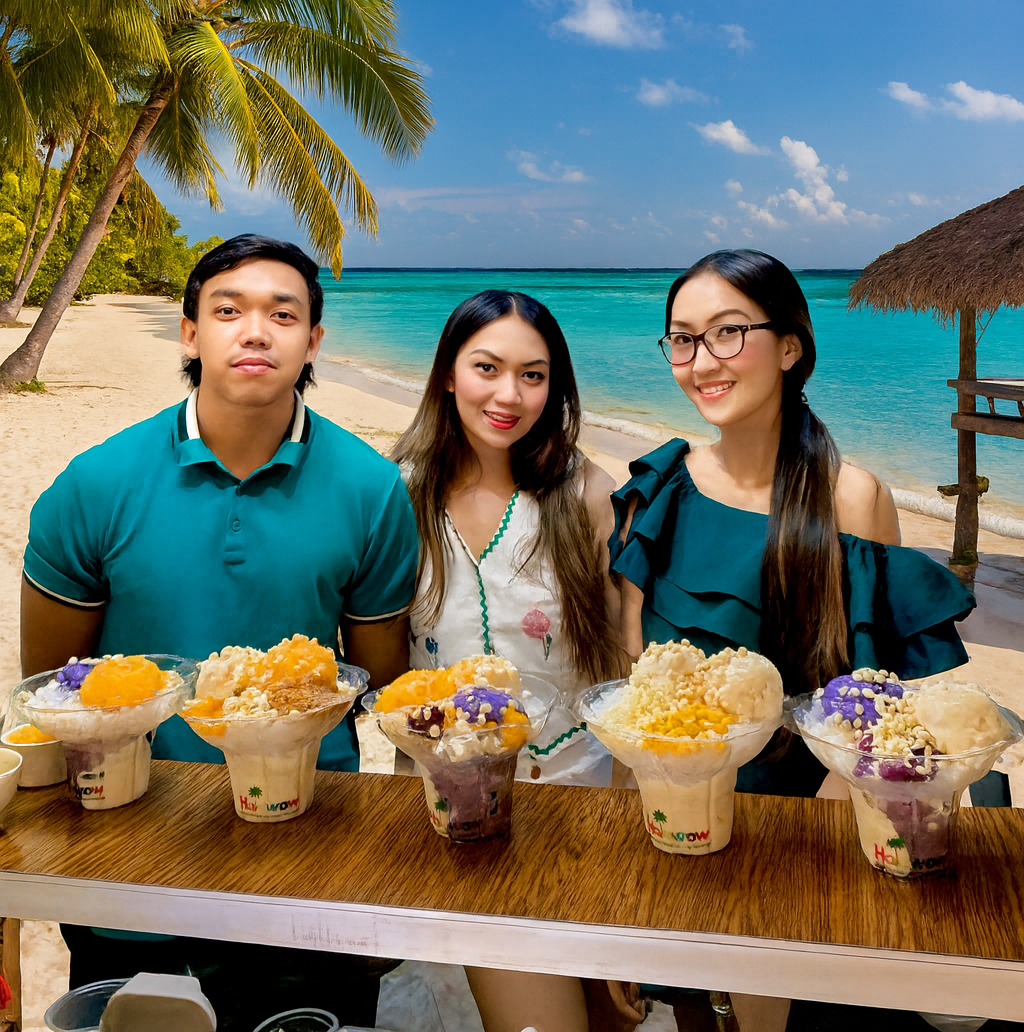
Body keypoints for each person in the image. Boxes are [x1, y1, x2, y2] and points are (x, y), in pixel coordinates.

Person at [20, 234, 418, 1031]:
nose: (256, 331)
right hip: (131, 845)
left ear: (314, 341)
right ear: (190, 332)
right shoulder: (96, 483)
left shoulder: (371, 489)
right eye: (228, 310)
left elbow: (379, 684)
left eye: (283, 314)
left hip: (309, 842)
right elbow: (55, 685)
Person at [611, 249, 1008, 1031]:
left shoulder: (850, 499)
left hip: (815, 852)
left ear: (790, 346)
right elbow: (633, 708)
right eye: (682, 339)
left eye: (728, 333)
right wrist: (630, 899)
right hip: (680, 833)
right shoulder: (654, 494)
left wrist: (779, 910)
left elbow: (873, 718)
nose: (702, 362)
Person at [392, 290, 643, 1032]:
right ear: (447, 373)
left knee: (609, 1014)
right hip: (457, 816)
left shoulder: (589, 494)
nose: (509, 395)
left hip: (581, 803)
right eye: (487, 368)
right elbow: (391, 675)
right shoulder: (400, 494)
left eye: (533, 375)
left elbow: (626, 677)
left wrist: (626, 848)